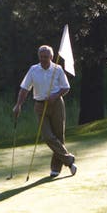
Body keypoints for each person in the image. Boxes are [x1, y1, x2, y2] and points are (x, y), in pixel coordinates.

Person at [12, 43, 76, 178]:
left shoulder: (57, 69)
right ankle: (69, 160)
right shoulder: (33, 70)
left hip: (56, 104)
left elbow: (66, 87)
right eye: (41, 56)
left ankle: (55, 169)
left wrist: (55, 95)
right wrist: (18, 105)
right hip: (40, 105)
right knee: (47, 136)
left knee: (59, 136)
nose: (43, 59)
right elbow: (24, 89)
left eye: (46, 57)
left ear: (51, 57)